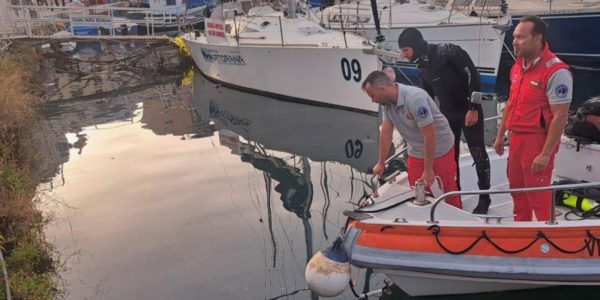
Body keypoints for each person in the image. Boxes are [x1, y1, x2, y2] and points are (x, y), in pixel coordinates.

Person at [394, 27, 492, 214]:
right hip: (448, 114)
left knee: (477, 152)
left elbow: (474, 76)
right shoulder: (422, 68)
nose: (403, 54)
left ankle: (485, 198)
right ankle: (456, 194)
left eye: (405, 50)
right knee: (450, 157)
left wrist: (473, 108)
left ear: (415, 46)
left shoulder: (448, 51)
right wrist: (413, 114)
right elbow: (426, 97)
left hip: (469, 109)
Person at [493, 15, 572, 222]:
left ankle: (549, 238)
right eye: (514, 37)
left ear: (538, 38)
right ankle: (522, 230)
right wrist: (500, 135)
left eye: (521, 37)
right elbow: (511, 103)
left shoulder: (556, 71)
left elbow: (560, 116)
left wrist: (545, 154)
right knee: (517, 190)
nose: (515, 42)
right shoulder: (517, 66)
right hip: (516, 139)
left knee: (538, 193)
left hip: (537, 142)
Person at [363, 71, 461, 208]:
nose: (372, 100)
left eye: (372, 96)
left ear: (382, 89)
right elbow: (386, 132)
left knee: (448, 190)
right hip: (416, 149)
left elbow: (429, 135)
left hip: (440, 147)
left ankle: (456, 222)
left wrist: (428, 170)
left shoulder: (415, 99)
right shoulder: (386, 103)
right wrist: (381, 163)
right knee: (416, 190)